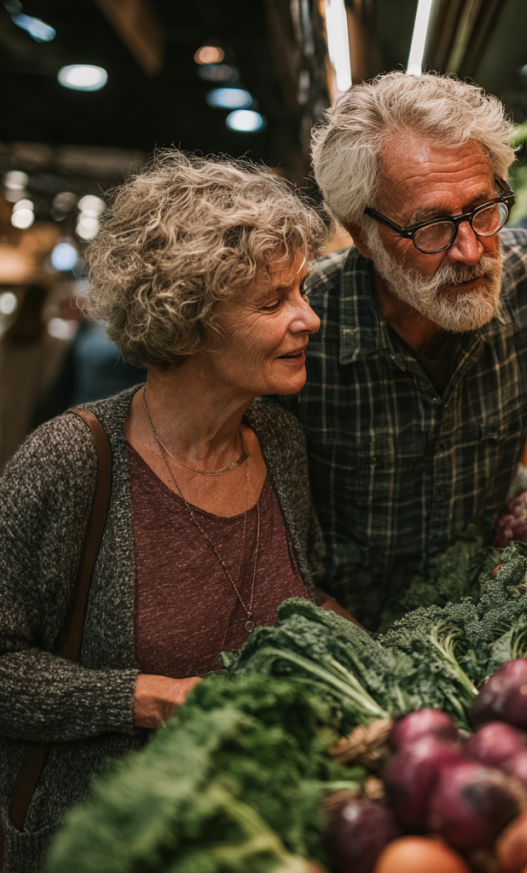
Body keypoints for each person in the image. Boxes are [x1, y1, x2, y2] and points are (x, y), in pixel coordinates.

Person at [0, 151, 333, 873]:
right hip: (103, 843)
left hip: (254, 839)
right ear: (188, 319)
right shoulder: (69, 460)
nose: (308, 317)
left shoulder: (279, 441)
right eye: (274, 301)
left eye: (302, 289)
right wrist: (142, 697)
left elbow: (292, 601)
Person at [285, 72, 527, 629]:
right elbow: (272, 544)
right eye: (431, 227)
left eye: (483, 209)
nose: (471, 250)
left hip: (486, 620)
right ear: (363, 236)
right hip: (344, 631)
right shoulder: (301, 330)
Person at [0, 285, 67, 469]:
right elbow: (47, 380)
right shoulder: (51, 344)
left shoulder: (7, 337)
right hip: (29, 406)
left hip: (4, 402)